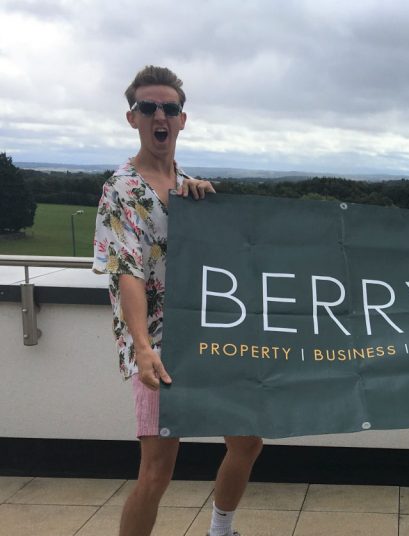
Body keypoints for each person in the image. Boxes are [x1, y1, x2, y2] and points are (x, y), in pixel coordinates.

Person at [93, 65, 262, 536]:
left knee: (247, 440)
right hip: (159, 344)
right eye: (148, 107)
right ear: (133, 118)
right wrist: (142, 347)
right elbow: (126, 273)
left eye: (169, 107)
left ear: (182, 119)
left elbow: (221, 265)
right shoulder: (122, 190)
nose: (159, 115)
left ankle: (220, 529)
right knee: (157, 471)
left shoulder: (190, 188)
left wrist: (208, 213)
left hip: (206, 334)